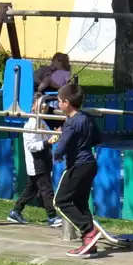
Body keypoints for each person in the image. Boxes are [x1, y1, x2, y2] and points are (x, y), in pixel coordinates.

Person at [52, 81, 106, 255]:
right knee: (81, 203)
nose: (58, 105)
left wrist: (57, 154)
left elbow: (62, 146)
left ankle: (88, 231)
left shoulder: (71, 123)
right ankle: (90, 244)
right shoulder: (86, 118)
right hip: (90, 164)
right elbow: (98, 138)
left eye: (59, 101)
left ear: (66, 103)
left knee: (60, 201)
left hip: (77, 165)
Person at [9, 91, 58, 225]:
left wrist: (55, 134)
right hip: (36, 161)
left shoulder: (41, 121)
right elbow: (32, 146)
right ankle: (52, 216)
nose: (43, 107)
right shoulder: (30, 124)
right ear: (32, 107)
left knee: (32, 189)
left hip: (44, 158)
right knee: (46, 189)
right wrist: (47, 142)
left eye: (44, 105)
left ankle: (15, 211)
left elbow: (47, 135)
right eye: (40, 105)